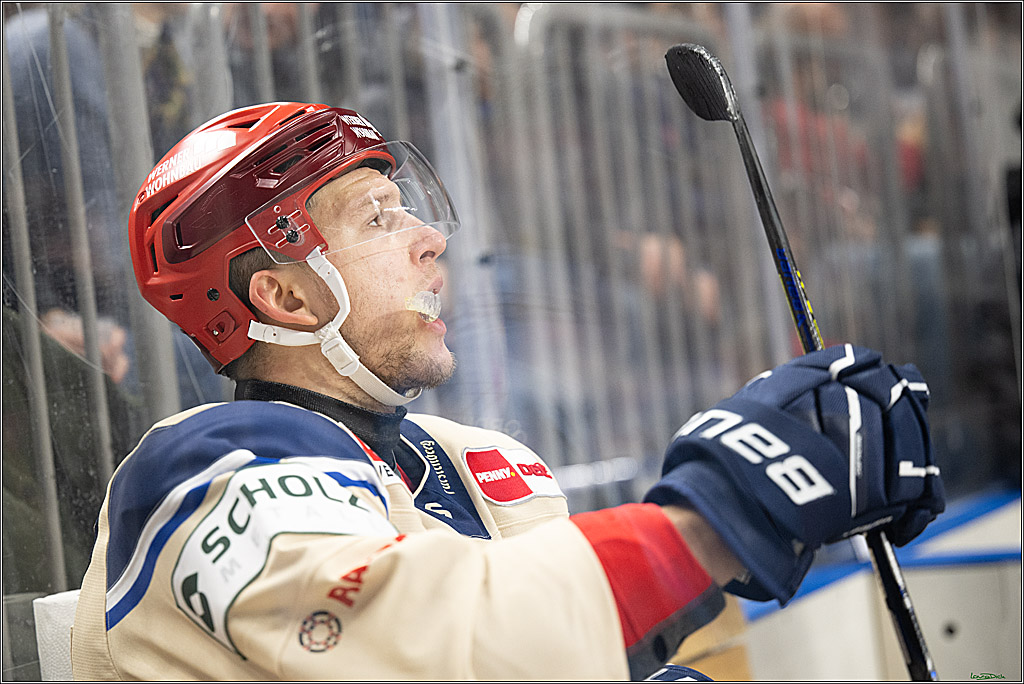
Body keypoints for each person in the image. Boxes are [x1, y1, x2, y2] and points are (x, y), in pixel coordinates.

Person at [71, 102, 945, 680]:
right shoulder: (200, 467)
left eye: (411, 210)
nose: (429, 241)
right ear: (286, 298)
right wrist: (727, 508)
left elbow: (568, 647)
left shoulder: (481, 461)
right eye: (380, 219)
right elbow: (443, 648)